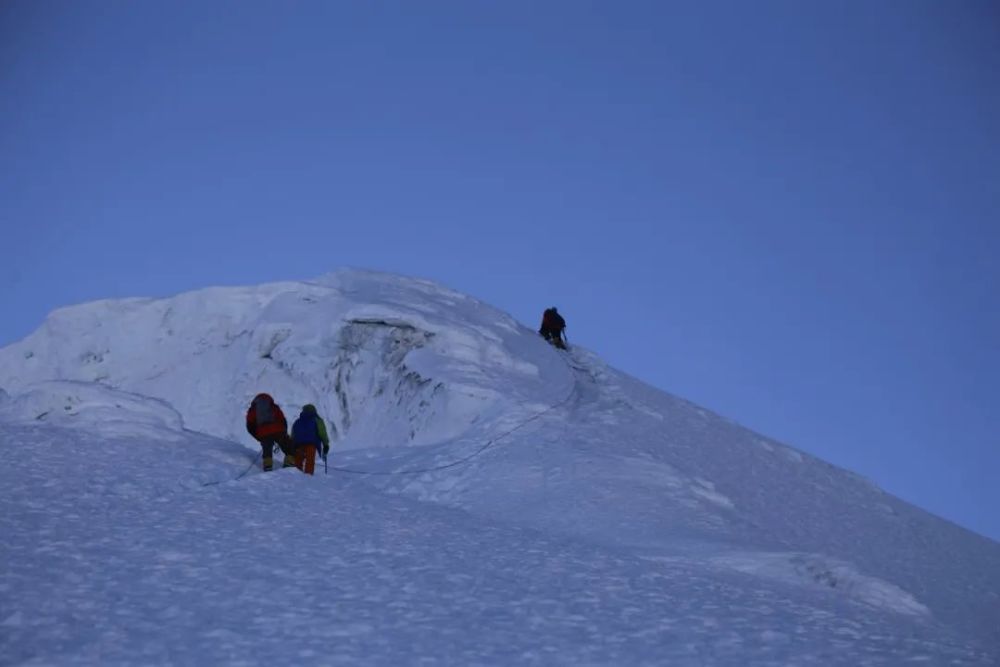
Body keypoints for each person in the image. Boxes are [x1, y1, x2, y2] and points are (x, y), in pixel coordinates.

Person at [245, 393, 295, 471]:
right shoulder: (273, 407)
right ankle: (289, 463)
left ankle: (268, 466)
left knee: (267, 450)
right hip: (279, 431)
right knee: (288, 447)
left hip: (264, 433)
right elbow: (282, 420)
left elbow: (250, 426)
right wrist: (284, 431)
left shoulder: (253, 409)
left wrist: (259, 437)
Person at [291, 404, 331, 476]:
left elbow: (293, 434)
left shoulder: (297, 421)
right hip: (311, 444)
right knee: (310, 461)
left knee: (298, 461)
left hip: (298, 445)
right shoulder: (317, 420)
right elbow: (322, 432)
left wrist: (292, 445)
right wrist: (326, 444)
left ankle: (296, 477)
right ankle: (308, 477)